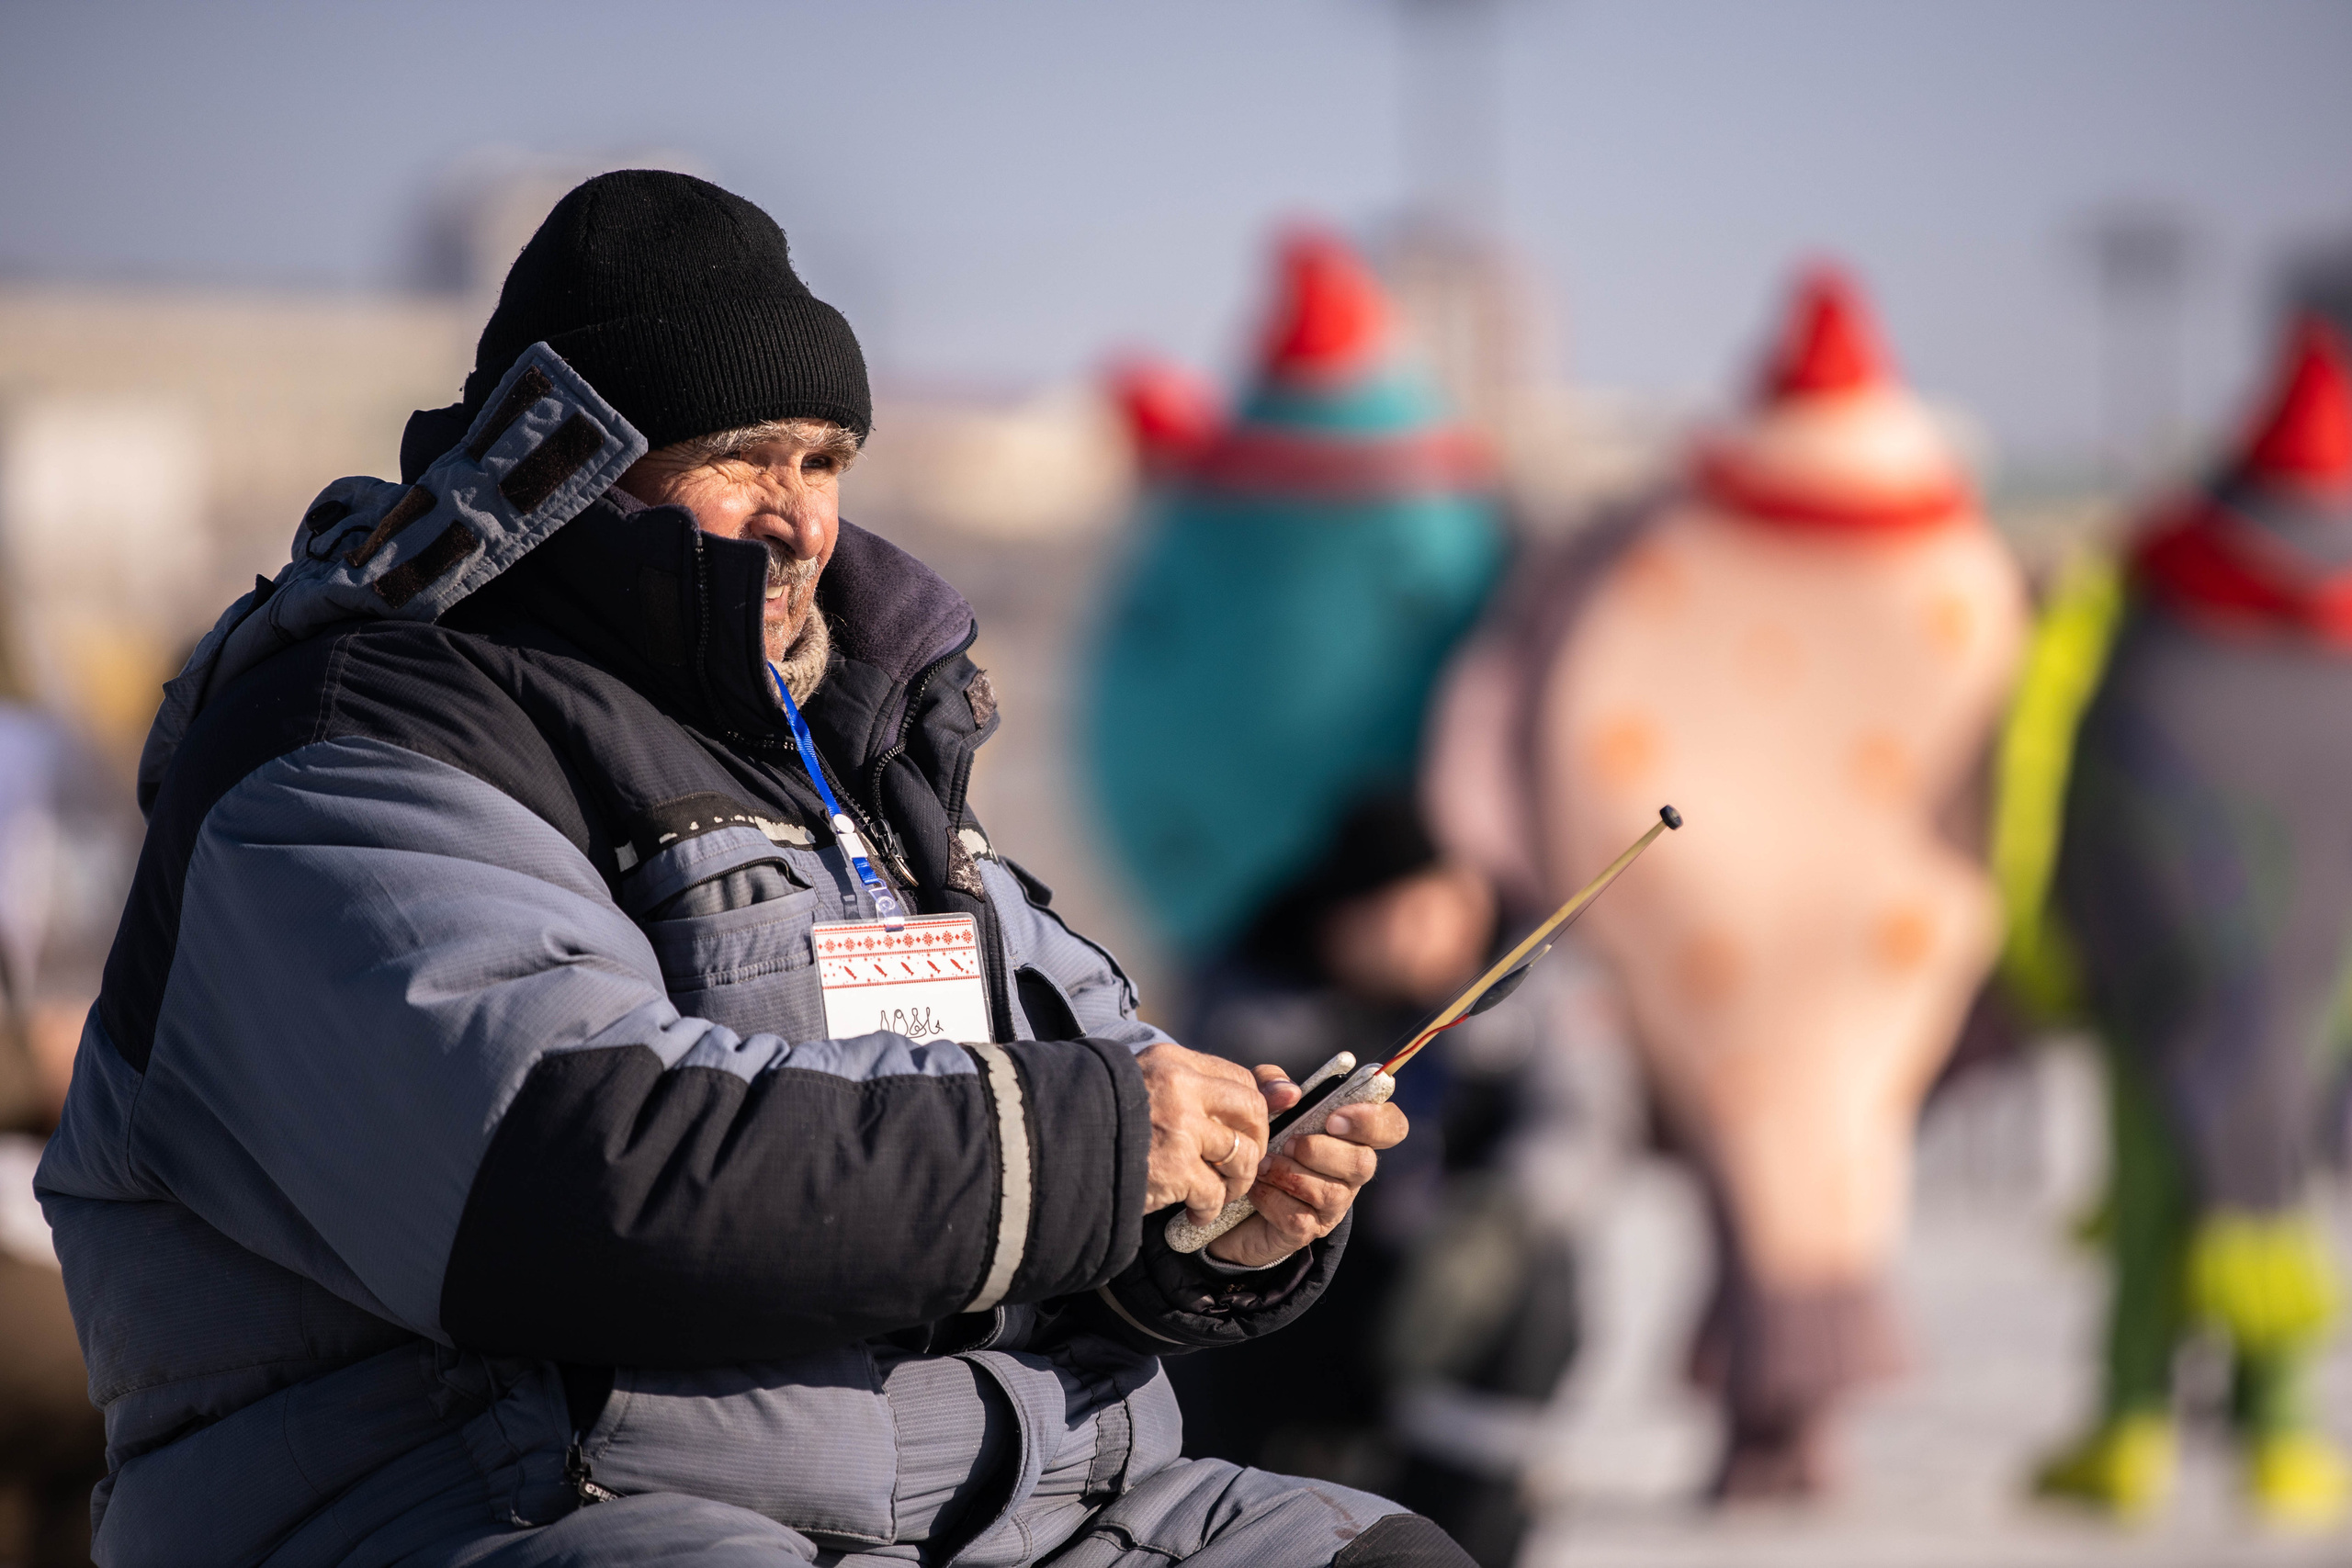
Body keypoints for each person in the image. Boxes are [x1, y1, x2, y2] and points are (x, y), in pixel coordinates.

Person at [34, 172, 1470, 1568]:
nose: (800, 516)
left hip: (997, 1513)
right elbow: (570, 1164)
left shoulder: (861, 754)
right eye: (744, 454)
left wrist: (1211, 1208)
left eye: (827, 461)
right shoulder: (354, 744)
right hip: (509, 1501)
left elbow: (1070, 1079)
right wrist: (1091, 1148)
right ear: (580, 462)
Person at [1427, 264, 2027, 1498]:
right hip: (1895, 914)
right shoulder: (1961, 557)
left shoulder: (1653, 540)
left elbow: (1501, 699)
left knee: (1752, 1157)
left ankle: (1772, 1404)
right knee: (1820, 1156)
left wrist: (1508, 862)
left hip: (1682, 904)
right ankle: (1782, 1405)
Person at [1089, 233, 1539, 1563]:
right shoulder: (1255, 991)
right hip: (1295, 1318)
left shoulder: (1515, 1005)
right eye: (1389, 911)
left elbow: (1569, 1126)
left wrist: (1500, 1169)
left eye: (1436, 905)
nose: (1419, 934)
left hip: (1448, 1321)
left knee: (1511, 1285)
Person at [2014, 317, 2352, 1527]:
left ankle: (2131, 1422)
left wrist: (2049, 913)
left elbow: (2045, 728)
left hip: (2146, 926)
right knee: (2275, 1161)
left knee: (2158, 1172)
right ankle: (2279, 1434)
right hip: (2317, 950)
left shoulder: (2156, 570)